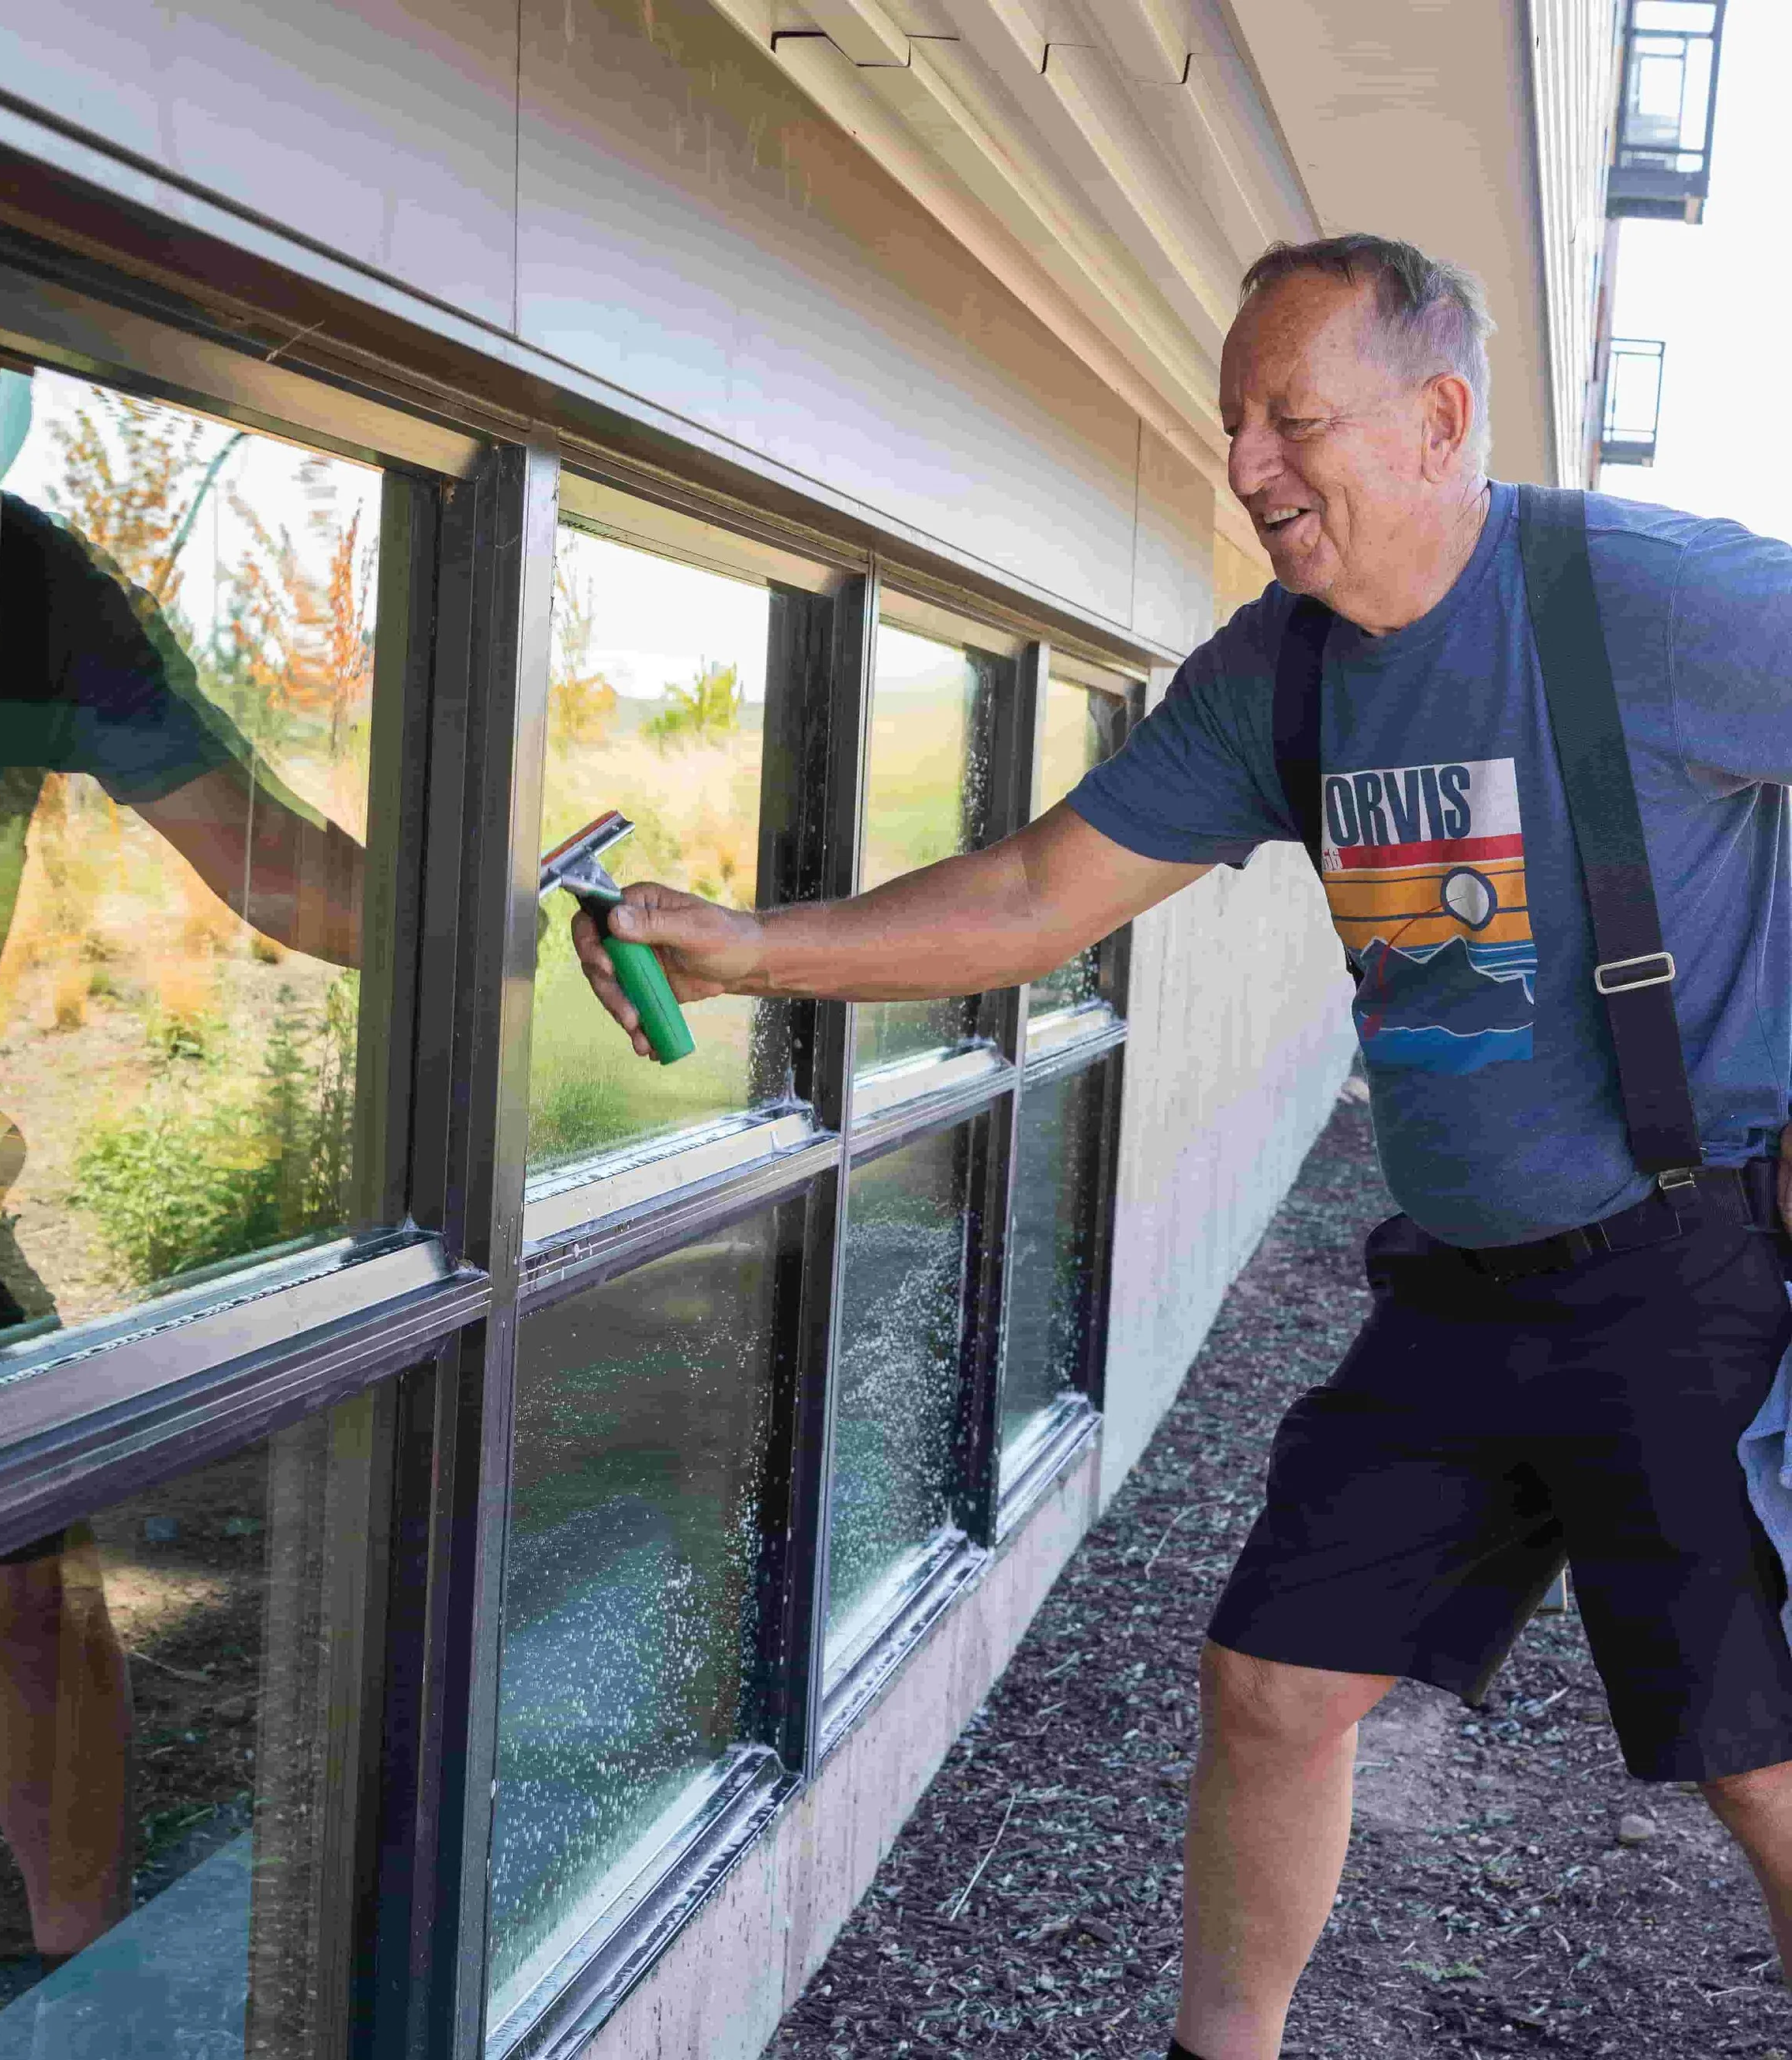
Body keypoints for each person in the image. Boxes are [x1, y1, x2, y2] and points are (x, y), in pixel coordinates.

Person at [569, 233, 1792, 2060]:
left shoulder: (1650, 598)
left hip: (1687, 1260)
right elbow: (1033, 891)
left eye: (1291, 418)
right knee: (1271, 1681)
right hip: (1461, 1283)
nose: (1245, 467)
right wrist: (756, 950)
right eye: (1232, 424)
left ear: (1441, 416)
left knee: (1758, 1766)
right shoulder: (1276, 674)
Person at [0, 309, 364, 1963]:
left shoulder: (31, 588)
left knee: (33, 1572)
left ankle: (84, 1970)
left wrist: (523, 920)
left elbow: (273, 864)